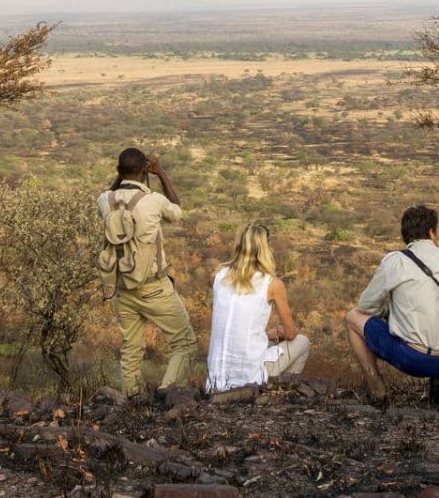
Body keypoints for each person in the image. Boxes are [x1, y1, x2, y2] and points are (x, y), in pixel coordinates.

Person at [345, 205, 439, 407]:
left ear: (405, 236)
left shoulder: (395, 262)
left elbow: (366, 307)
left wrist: (391, 312)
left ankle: (376, 388)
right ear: (432, 233)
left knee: (352, 317)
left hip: (413, 360)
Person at [98, 147, 199, 398]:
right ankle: (167, 394)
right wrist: (160, 172)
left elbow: (111, 193)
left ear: (119, 171)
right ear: (145, 170)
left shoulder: (105, 200)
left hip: (122, 287)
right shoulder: (153, 200)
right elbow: (176, 211)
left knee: (130, 350)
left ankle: (132, 400)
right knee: (185, 344)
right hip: (153, 287)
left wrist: (122, 176)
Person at [206, 223, 310, 393]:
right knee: (302, 342)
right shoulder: (272, 284)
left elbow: (233, 324)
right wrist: (279, 333)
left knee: (266, 342)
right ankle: (280, 391)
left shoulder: (218, 276)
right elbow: (291, 333)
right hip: (249, 378)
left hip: (215, 381)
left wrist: (266, 335)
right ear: (265, 249)